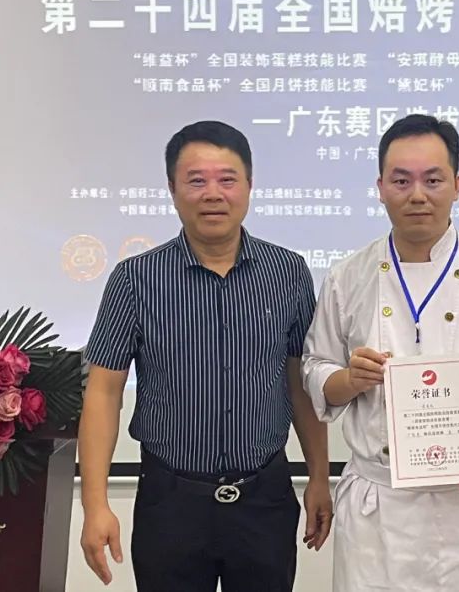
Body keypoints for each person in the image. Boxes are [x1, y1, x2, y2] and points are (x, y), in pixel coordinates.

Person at [78, 120, 332, 591]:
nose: (213, 194)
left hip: (264, 499)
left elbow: (301, 382)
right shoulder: (135, 279)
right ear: (172, 190)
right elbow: (104, 392)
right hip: (170, 502)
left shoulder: (288, 272)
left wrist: (320, 476)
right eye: (196, 180)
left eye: (227, 179)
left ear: (249, 186)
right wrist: (95, 505)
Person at [301, 113, 459, 592]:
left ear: (457, 185)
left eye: (433, 180)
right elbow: (316, 367)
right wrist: (349, 379)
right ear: (380, 188)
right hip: (381, 508)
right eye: (401, 181)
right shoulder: (348, 276)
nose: (417, 195)